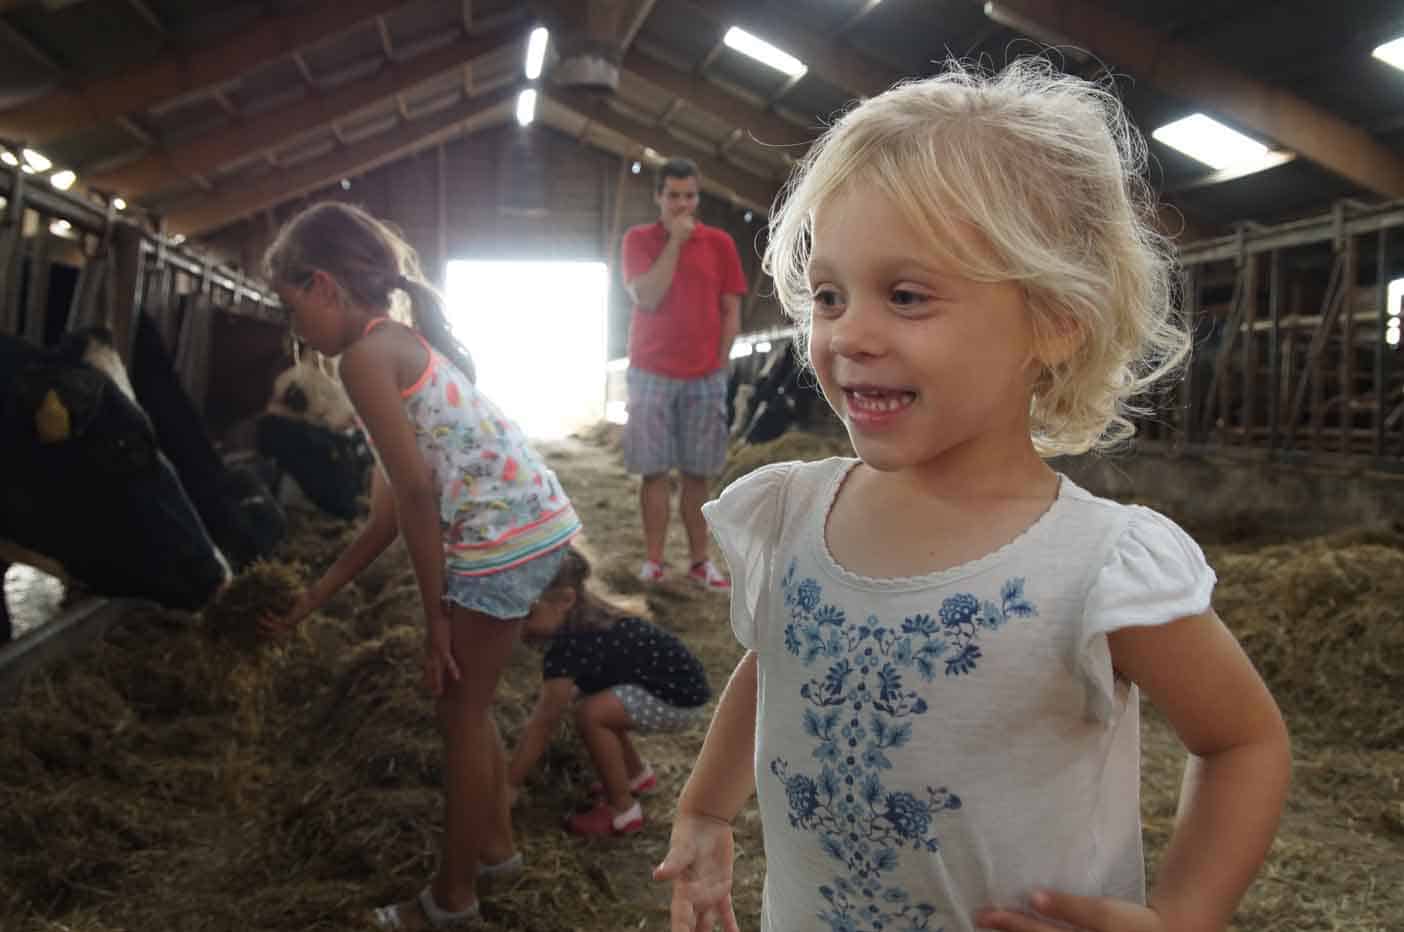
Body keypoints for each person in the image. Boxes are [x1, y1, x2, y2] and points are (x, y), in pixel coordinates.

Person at [653, 60, 1291, 932]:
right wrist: (706, 810)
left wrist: (1184, 915)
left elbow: (1244, 743)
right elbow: (781, 665)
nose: (849, 335)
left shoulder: (1098, 567)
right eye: (829, 294)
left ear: (1054, 318)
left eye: (906, 296)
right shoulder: (795, 509)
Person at [256, 202, 582, 930]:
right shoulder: (394, 346)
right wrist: (313, 598)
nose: (293, 328)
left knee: (459, 715)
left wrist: (437, 620)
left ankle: (452, 899)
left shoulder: (365, 359)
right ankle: (494, 851)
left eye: (290, 305)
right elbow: (385, 517)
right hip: (530, 526)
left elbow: (416, 494)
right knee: (468, 709)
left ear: (323, 285)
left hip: (502, 543)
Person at [507, 546, 711, 836]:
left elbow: (544, 721)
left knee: (591, 714)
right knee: (595, 703)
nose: (519, 626)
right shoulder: (585, 615)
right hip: (677, 686)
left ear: (565, 599)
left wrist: (510, 783)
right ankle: (634, 775)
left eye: (527, 613)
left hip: (678, 699)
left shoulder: (570, 643)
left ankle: (622, 810)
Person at [621, 157, 747, 591]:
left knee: (699, 473)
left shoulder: (721, 244)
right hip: (650, 372)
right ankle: (654, 562)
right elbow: (647, 297)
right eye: (673, 195)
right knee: (653, 472)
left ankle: (699, 562)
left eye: (689, 196)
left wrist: (722, 360)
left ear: (698, 197)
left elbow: (731, 307)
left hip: (704, 375)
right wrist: (673, 243)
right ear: (658, 196)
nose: (681, 204)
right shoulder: (638, 240)